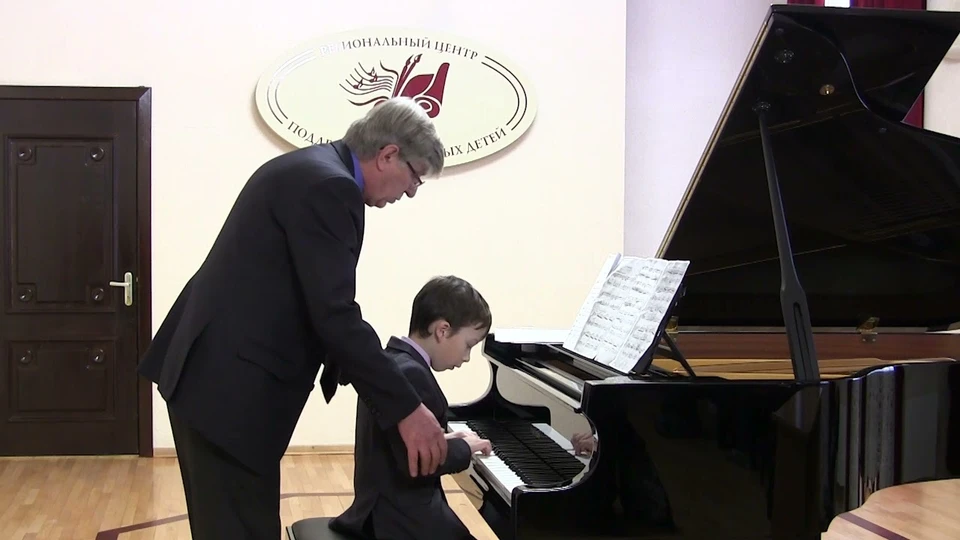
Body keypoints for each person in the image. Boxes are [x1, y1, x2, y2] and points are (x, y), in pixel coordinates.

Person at [137, 97, 452, 540]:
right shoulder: (330, 186)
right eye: (415, 175)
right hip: (229, 392)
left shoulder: (313, 169)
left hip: (213, 380)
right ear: (387, 155)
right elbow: (334, 314)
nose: (412, 191)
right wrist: (407, 409)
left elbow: (313, 302)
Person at [329, 275, 495, 540]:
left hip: (379, 511)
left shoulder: (391, 365)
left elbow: (394, 442)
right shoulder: (413, 375)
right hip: (401, 523)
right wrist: (465, 448)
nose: (466, 357)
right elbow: (418, 463)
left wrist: (445, 439)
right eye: (468, 345)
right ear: (442, 330)